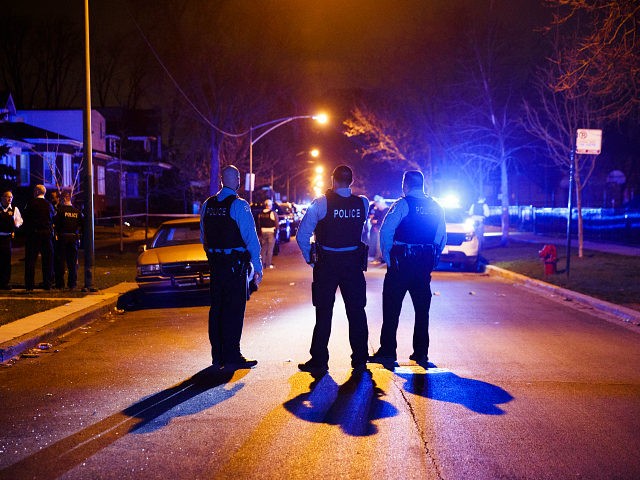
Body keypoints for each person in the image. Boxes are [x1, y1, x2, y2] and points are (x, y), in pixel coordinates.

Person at [296, 165, 370, 374]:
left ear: (332, 180)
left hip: (327, 264)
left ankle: (319, 360)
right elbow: (362, 231)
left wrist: (312, 260)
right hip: (353, 264)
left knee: (324, 312)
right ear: (351, 181)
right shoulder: (363, 203)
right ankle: (360, 359)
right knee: (356, 312)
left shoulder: (321, 203)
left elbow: (302, 235)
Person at [369, 170, 446, 369]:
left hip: (401, 263)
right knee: (422, 310)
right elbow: (441, 236)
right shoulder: (436, 206)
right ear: (422, 184)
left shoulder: (402, 204)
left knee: (392, 308)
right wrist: (433, 258)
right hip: (423, 264)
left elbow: (386, 231)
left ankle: (387, 352)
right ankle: (421, 352)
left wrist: (388, 257)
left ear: (406, 184)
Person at [200, 165, 263, 369]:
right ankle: (232, 355)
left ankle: (217, 355)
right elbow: (251, 238)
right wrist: (258, 266)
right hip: (235, 267)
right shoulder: (239, 205)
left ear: (220, 180)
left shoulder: (207, 205)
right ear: (236, 180)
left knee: (217, 309)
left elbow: (204, 237)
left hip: (216, 266)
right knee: (234, 310)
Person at [23, 184, 56, 291]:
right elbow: (52, 219)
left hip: (34, 235)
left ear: (37, 192)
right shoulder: (49, 205)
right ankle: (47, 283)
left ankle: (29, 285)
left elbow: (26, 218)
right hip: (46, 235)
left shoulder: (31, 204)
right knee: (48, 260)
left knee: (30, 260)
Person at [53, 189, 83, 290]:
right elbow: (81, 225)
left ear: (64, 198)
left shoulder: (59, 211)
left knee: (60, 262)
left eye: (61, 198)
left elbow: (55, 224)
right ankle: (72, 284)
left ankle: (60, 284)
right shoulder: (77, 212)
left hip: (62, 239)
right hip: (73, 239)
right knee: (72, 262)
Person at [0, 190, 23, 290]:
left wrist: (15, 224)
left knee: (6, 260)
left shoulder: (14, 209)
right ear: (2, 198)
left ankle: (5, 282)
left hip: (7, 238)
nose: (10, 199)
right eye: (8, 197)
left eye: (11, 197)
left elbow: (19, 221)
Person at [257, 199, 279, 269]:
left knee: (263, 249)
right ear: (270, 205)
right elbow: (276, 223)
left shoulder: (260, 213)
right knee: (270, 250)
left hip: (263, 232)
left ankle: (262, 265)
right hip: (271, 232)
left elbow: (259, 223)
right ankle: (268, 265)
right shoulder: (272, 213)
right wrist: (276, 231)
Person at [368, 195, 389, 264]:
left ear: (380, 203)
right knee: (379, 244)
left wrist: (375, 222)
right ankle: (379, 258)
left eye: (377, 204)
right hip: (381, 230)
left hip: (382, 230)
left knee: (379, 245)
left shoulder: (386, 210)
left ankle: (379, 258)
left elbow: (382, 221)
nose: (376, 206)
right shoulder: (383, 211)